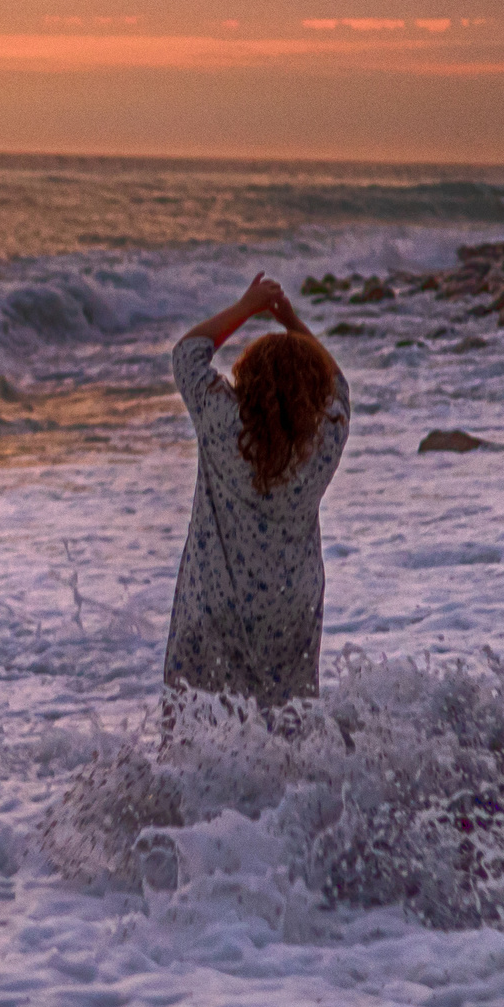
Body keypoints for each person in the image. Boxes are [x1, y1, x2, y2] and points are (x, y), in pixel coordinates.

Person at [161, 273, 349, 704]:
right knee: (286, 721)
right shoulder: (326, 436)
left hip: (215, 602)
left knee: (196, 722)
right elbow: (338, 382)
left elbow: (188, 353)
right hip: (290, 605)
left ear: (247, 376)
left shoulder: (223, 419)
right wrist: (290, 319)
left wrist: (248, 306)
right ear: (314, 388)